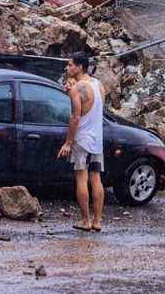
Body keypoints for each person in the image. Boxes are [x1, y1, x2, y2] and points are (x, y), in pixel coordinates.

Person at [59, 52, 106, 233]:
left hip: (82, 139)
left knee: (81, 178)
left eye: (70, 65)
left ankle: (85, 221)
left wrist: (68, 142)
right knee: (96, 178)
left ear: (79, 67)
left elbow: (75, 117)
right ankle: (98, 221)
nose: (67, 68)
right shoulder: (99, 85)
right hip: (97, 138)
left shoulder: (77, 89)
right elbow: (97, 109)